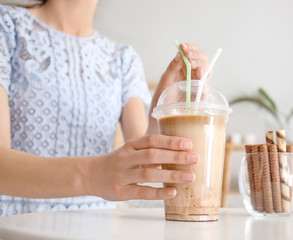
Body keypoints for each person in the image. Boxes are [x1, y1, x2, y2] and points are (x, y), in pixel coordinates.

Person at [0, 0, 209, 217]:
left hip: (98, 229)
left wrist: (165, 113)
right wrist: (94, 175)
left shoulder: (122, 59)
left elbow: (142, 167)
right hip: (14, 228)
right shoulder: (6, 27)